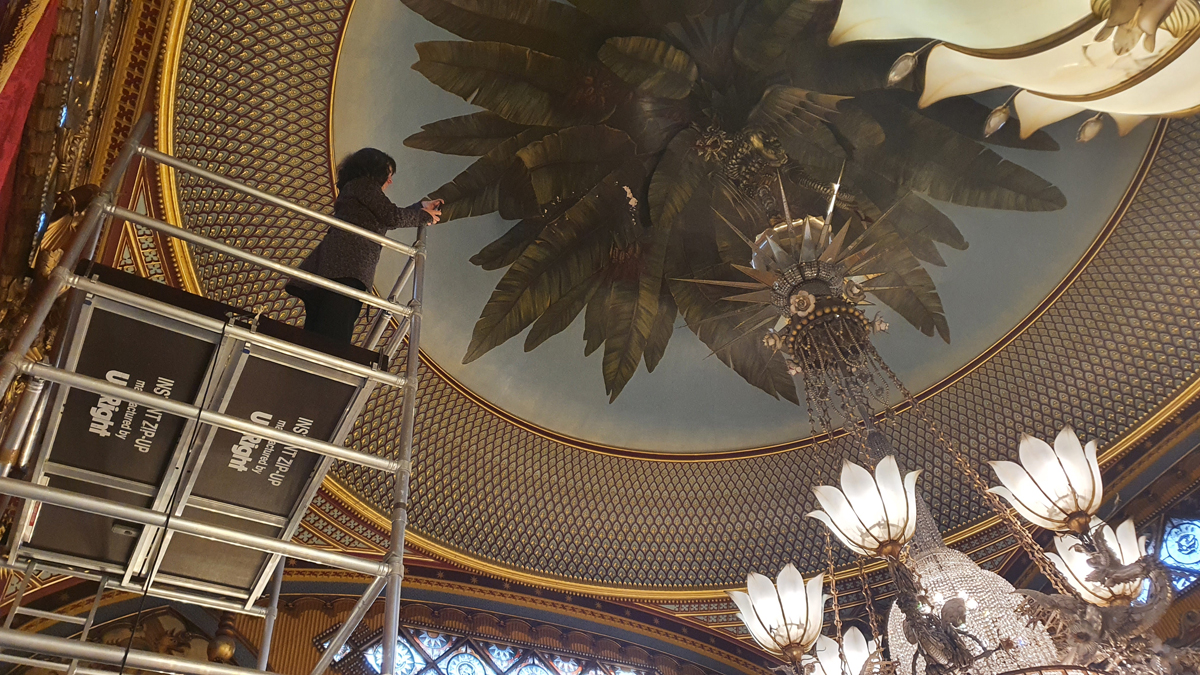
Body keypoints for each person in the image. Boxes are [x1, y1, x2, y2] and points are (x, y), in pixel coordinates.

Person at [286, 148, 441, 343]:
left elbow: (381, 218)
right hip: (346, 269)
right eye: (389, 173)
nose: (390, 181)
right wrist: (423, 216)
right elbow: (391, 216)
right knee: (333, 335)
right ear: (375, 169)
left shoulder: (357, 189)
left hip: (338, 267)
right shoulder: (364, 186)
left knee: (321, 331)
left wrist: (419, 207)